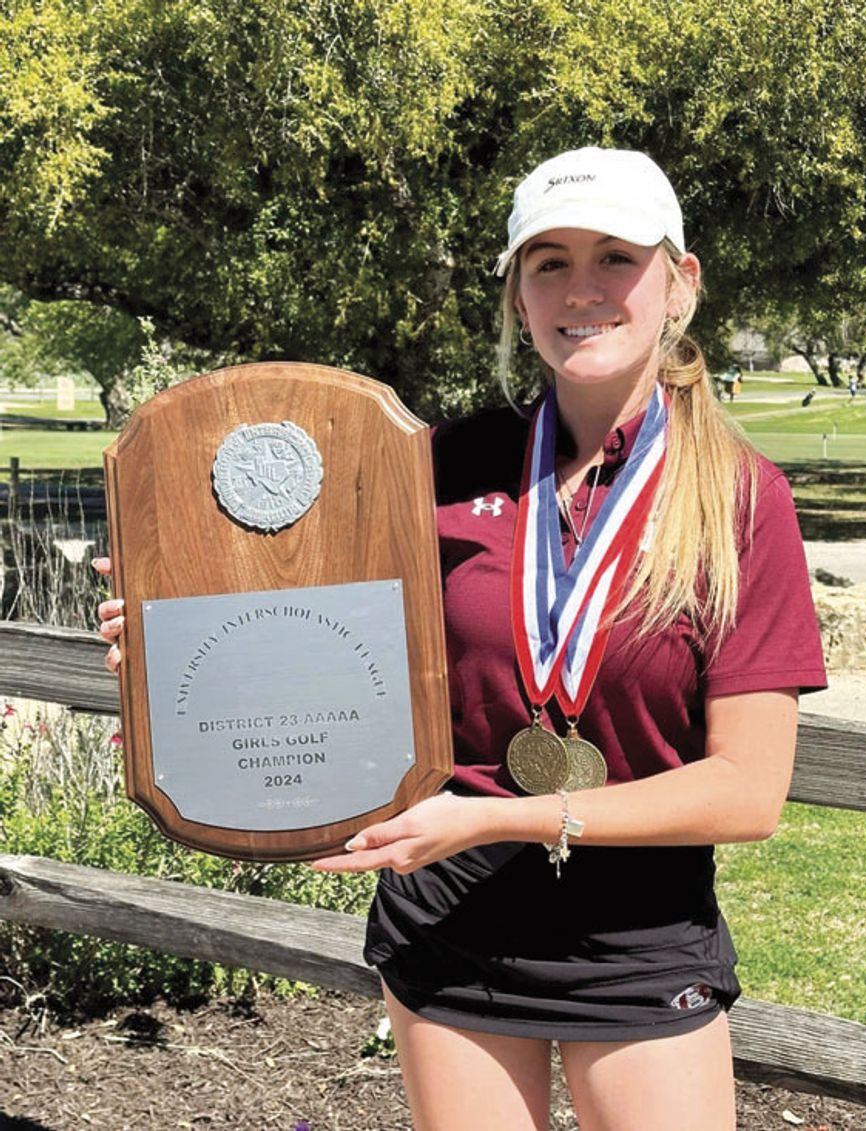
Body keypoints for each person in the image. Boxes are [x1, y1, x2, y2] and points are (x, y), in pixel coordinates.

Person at [96, 146, 826, 1131]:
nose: (582, 289)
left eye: (615, 256)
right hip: (448, 920)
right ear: (517, 294)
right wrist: (177, 652)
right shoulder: (433, 463)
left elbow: (746, 790)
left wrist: (496, 818)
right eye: (548, 262)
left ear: (679, 282)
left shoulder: (741, 498)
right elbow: (316, 642)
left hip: (638, 938)